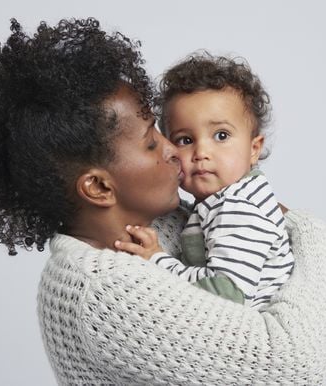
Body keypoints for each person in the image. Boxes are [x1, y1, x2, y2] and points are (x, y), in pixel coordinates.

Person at [0, 18, 326, 385]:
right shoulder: (104, 292)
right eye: (151, 142)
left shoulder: (159, 219)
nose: (176, 152)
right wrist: (309, 231)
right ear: (99, 188)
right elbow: (296, 363)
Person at [115, 54, 294, 311]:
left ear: (254, 149)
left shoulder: (237, 209)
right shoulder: (217, 203)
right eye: (185, 140)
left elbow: (226, 294)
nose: (201, 153)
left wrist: (158, 260)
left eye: (221, 135)